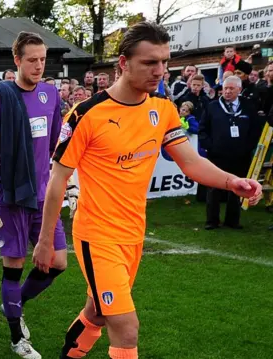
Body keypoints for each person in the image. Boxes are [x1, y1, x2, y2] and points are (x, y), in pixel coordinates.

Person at [34, 22, 262, 359]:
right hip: (97, 236)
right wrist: (45, 242)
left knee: (97, 312)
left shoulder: (162, 109)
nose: (160, 71)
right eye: (150, 62)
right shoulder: (86, 114)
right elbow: (57, 180)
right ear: (123, 63)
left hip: (133, 233)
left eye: (164, 62)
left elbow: (190, 162)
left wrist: (231, 181)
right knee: (126, 329)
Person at [0, 31, 67, 359]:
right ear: (16, 60)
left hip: (44, 194)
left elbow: (57, 145)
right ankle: (17, 338)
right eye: (32, 60)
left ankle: (14, 304)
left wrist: (66, 180)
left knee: (56, 263)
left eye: (43, 59)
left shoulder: (51, 96)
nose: (39, 65)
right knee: (13, 267)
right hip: (11, 196)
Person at [199, 75, 266, 230]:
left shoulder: (248, 106)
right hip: (217, 155)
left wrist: (247, 147)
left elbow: (255, 130)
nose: (227, 92)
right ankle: (212, 221)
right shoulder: (212, 106)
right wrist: (211, 146)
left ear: (239, 90)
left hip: (240, 156)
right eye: (225, 88)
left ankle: (233, 220)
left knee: (239, 187)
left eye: (231, 88)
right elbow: (203, 129)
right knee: (214, 187)